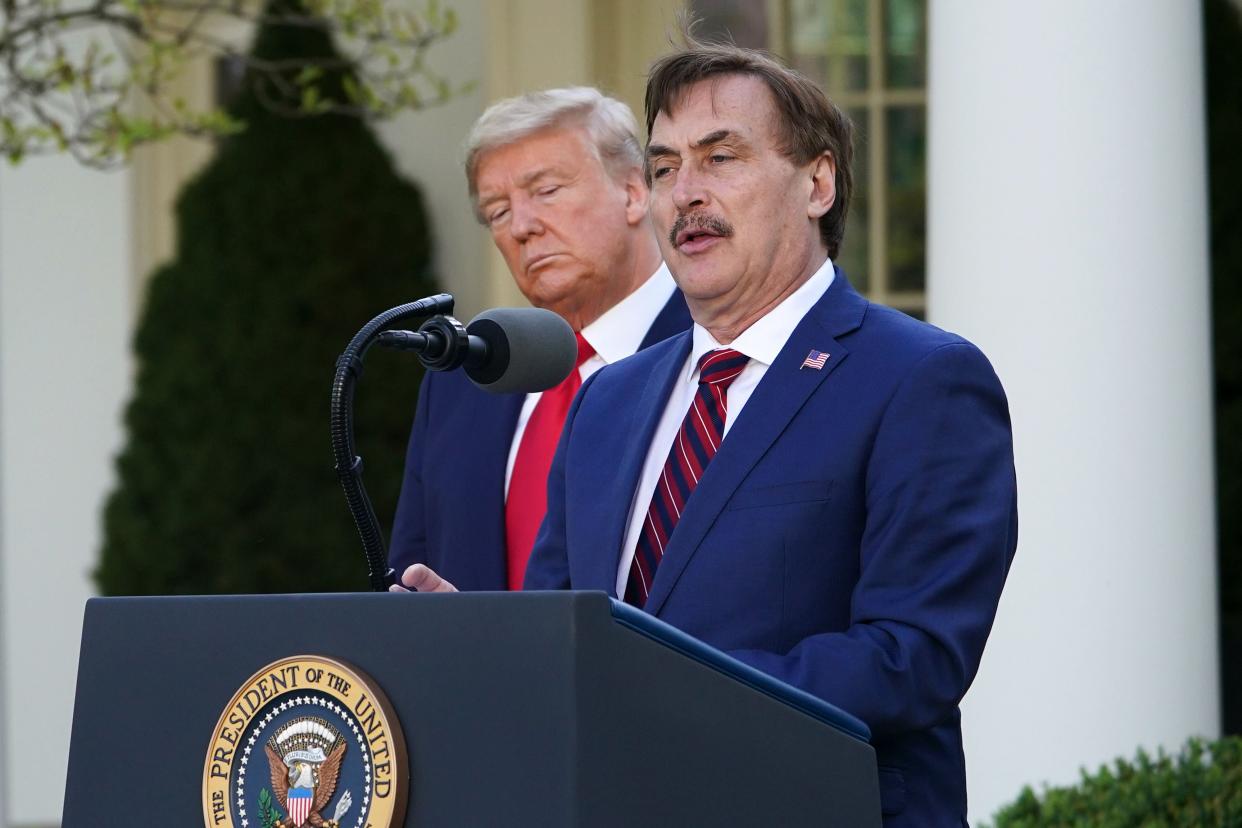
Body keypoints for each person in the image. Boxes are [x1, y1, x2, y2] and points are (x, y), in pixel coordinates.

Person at [397, 45, 1016, 826]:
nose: (685, 193)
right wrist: (487, 637)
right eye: (663, 168)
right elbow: (568, 632)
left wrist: (652, 685)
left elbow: (912, 659)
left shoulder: (921, 379)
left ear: (817, 183)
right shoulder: (608, 400)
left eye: (720, 158)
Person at [388, 87, 691, 592]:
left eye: (547, 190)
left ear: (635, 191)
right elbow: (409, 575)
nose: (522, 227)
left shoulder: (718, 352)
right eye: (498, 212)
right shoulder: (461, 381)